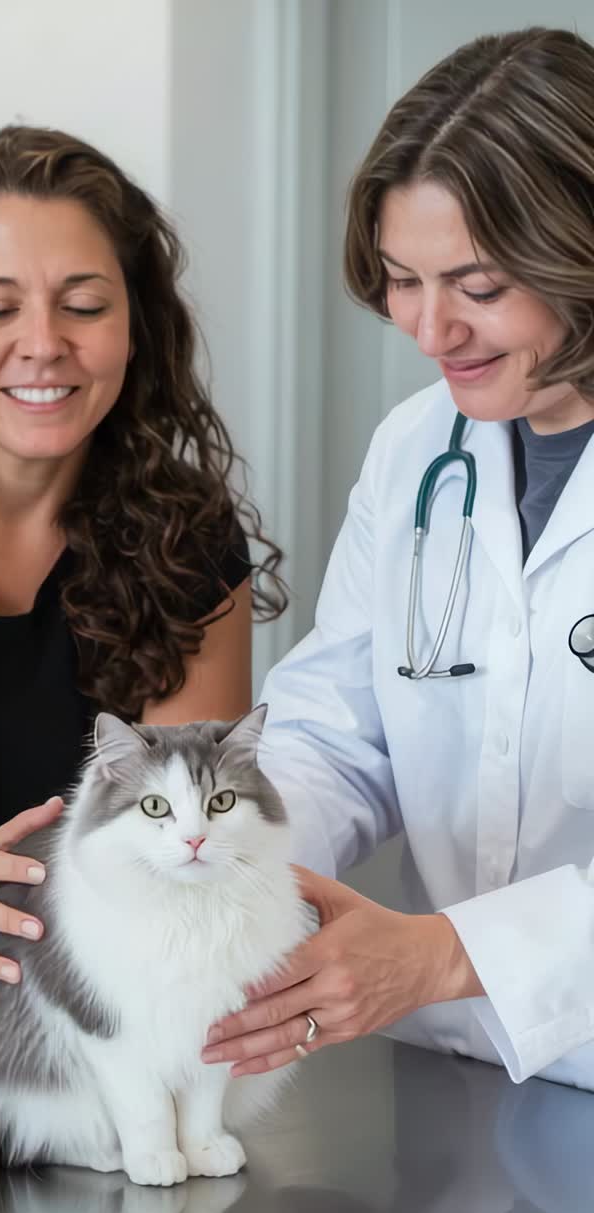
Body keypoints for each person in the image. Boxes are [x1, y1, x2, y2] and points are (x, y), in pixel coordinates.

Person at [202, 25, 594, 1093]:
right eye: (400, 280)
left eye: (476, 284)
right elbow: (340, 729)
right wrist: (233, 880)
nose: (430, 330)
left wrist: (440, 953)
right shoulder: (420, 449)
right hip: (461, 1077)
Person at [0, 125, 285, 1055]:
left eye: (84, 305)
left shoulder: (188, 541)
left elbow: (194, 857)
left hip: (90, 1032)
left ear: (134, 328)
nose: (44, 346)